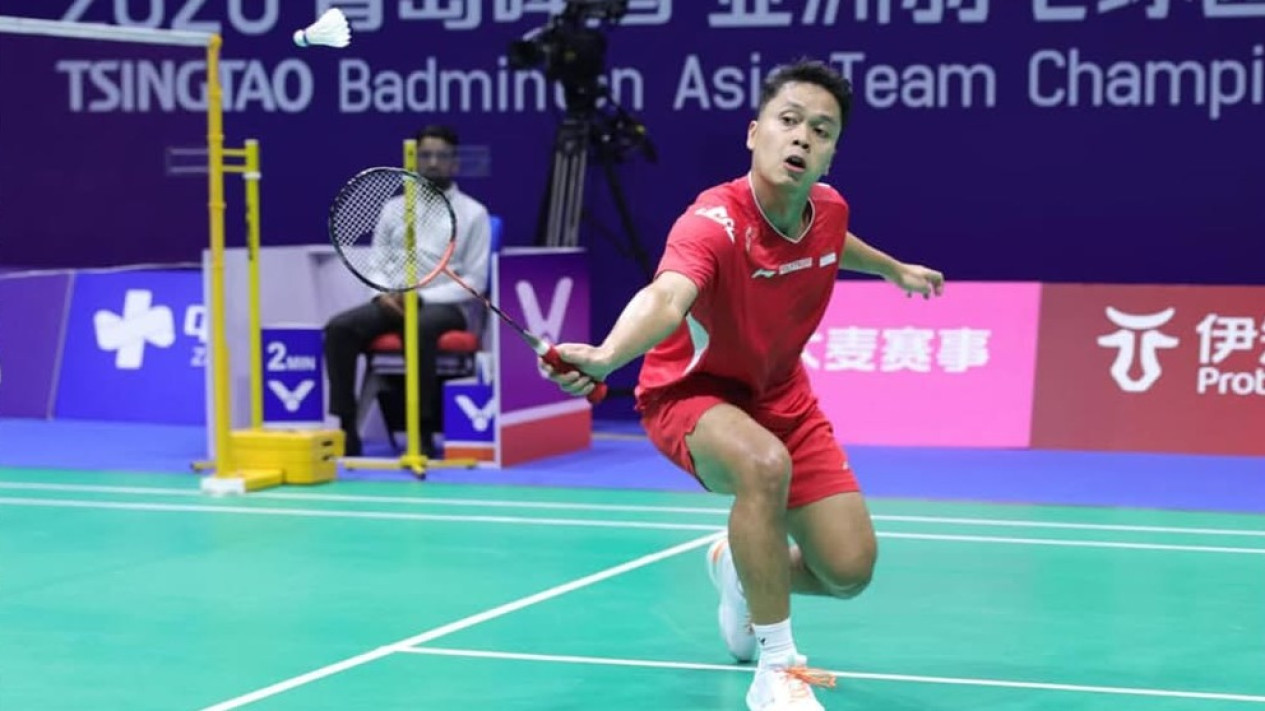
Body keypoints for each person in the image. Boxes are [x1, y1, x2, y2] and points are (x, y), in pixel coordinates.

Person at [541, 59, 945, 711]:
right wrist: (608, 355)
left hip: (782, 397)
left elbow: (834, 241)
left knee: (848, 571)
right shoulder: (711, 222)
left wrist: (892, 269)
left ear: (830, 154)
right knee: (763, 465)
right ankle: (777, 668)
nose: (802, 137)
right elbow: (667, 296)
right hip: (691, 395)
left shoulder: (828, 209)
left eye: (820, 131)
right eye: (788, 121)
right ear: (754, 132)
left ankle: (737, 565)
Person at [323, 124, 492, 457]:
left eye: (441, 156)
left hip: (444, 305)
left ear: (455, 163)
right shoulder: (393, 209)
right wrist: (381, 295)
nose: (433, 162)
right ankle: (346, 427)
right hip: (393, 301)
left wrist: (421, 297)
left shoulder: (474, 213)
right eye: (425, 155)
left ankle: (423, 430)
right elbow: (377, 263)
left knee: (419, 327)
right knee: (339, 329)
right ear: (413, 160)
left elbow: (475, 281)